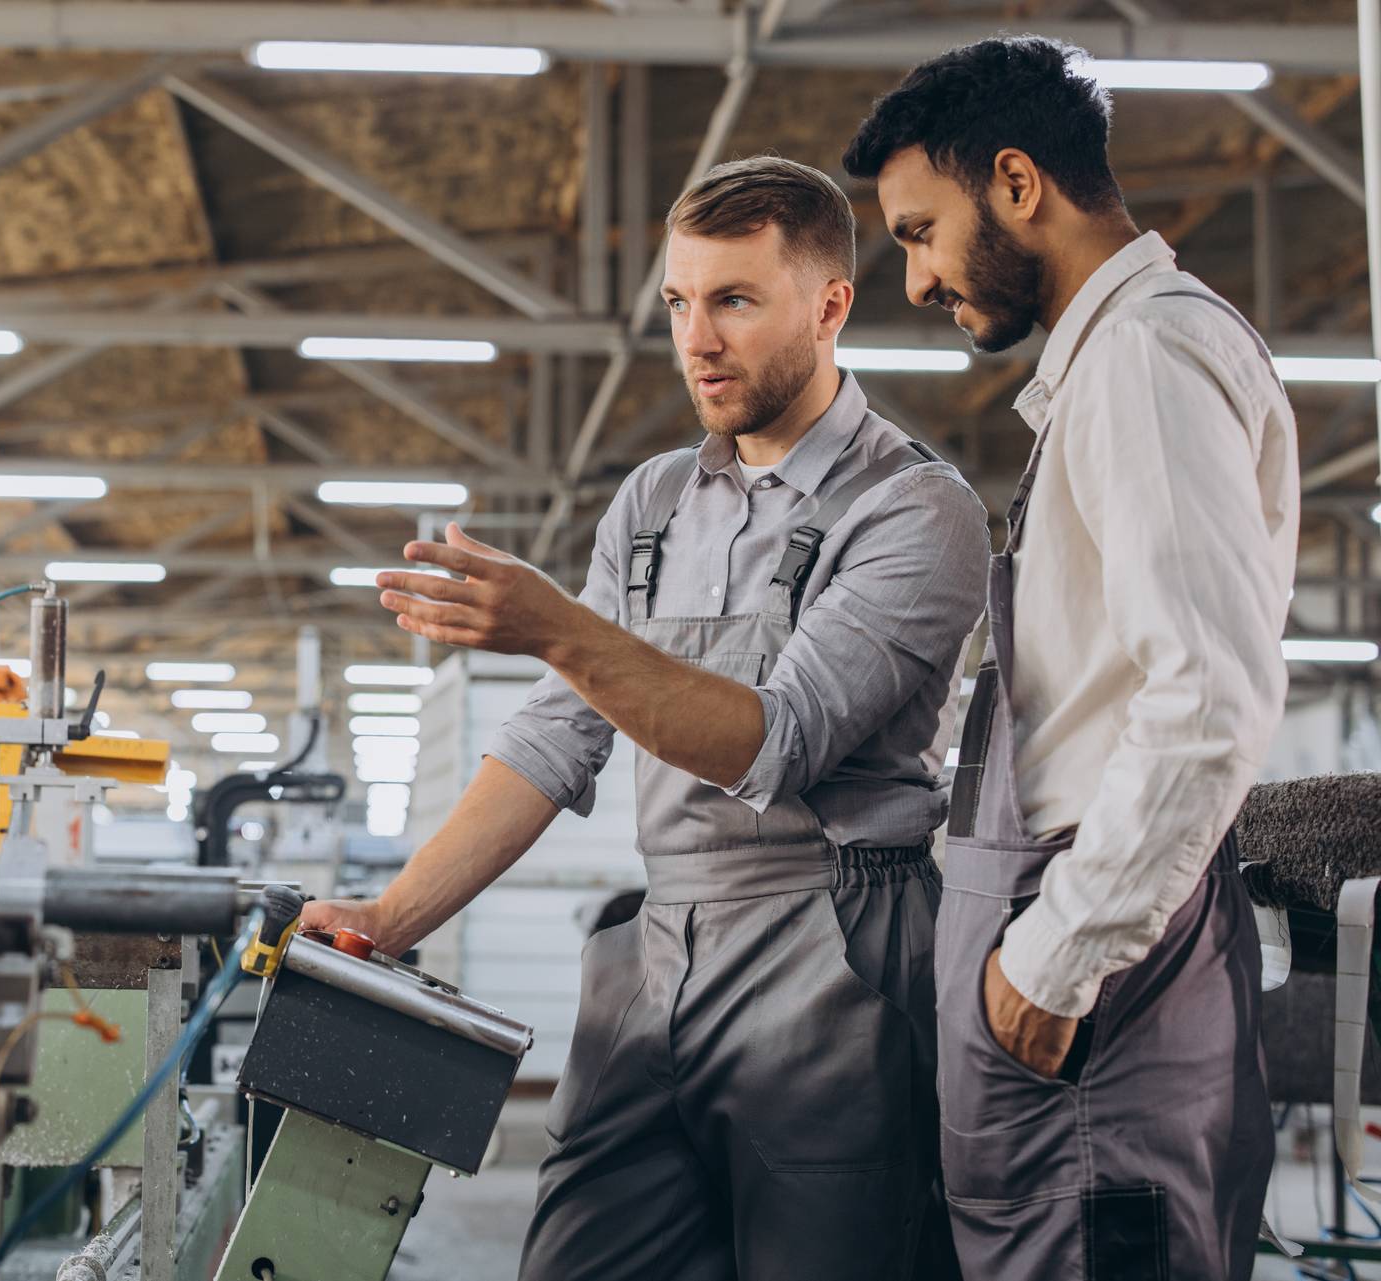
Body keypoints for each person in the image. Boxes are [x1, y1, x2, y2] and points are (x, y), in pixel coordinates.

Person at [303, 156, 987, 1279]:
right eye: (679, 302)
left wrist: (564, 629)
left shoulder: (914, 507)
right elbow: (552, 738)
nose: (695, 339)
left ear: (828, 307)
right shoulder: (656, 501)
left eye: (733, 300)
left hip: (839, 967)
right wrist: (391, 916)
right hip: (660, 950)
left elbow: (775, 742)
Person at [842, 35, 1298, 1280]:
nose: (922, 281)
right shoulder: (1107, 367)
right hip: (1069, 979)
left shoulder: (1146, 359)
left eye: (921, 233)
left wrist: (1053, 962)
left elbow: (1208, 694)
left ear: (1017, 184)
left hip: (1094, 994)